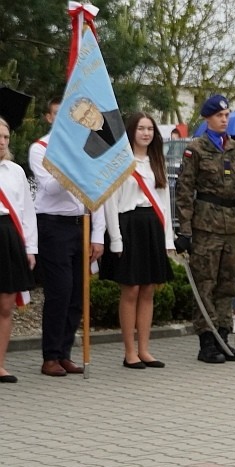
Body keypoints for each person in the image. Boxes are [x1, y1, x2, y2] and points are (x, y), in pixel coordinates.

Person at [175, 95, 235, 364]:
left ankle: (223, 336)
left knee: (228, 283)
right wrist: (184, 230)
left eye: (227, 115)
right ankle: (207, 341)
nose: (224, 119)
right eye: (220, 115)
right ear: (208, 118)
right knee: (206, 283)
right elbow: (185, 191)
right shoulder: (196, 149)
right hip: (206, 226)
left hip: (232, 225)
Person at [30, 103, 107, 376]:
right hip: (53, 226)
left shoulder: (85, 147)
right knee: (60, 291)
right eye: (58, 114)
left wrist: (98, 235)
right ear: (49, 118)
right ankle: (50, 355)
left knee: (78, 292)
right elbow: (51, 187)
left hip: (80, 224)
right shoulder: (40, 148)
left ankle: (64, 352)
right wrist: (71, 160)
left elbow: (95, 193)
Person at [99, 112, 174, 369]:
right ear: (131, 131)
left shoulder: (156, 160)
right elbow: (110, 202)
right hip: (128, 225)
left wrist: (168, 240)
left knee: (149, 289)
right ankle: (129, 351)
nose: (146, 133)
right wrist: (116, 239)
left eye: (150, 129)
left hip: (152, 225)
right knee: (130, 289)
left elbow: (164, 203)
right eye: (141, 128)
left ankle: (145, 349)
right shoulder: (120, 161)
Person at [0, 116, 37, 383]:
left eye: (5, 138)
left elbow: (26, 212)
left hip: (8, 237)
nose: (2, 142)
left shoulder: (15, 171)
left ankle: (0, 364)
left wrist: (30, 248)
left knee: (5, 305)